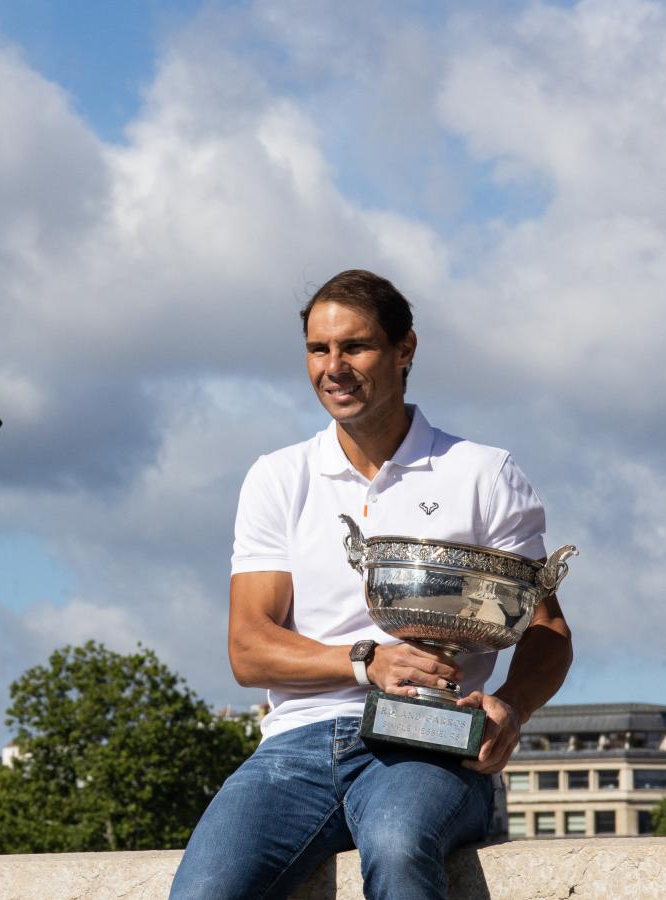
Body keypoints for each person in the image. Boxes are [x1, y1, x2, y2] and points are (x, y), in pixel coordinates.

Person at [169, 270, 573, 899]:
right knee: (202, 892)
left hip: (432, 741)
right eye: (317, 349)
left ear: (404, 350)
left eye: (354, 347)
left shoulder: (483, 473)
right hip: (295, 746)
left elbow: (546, 629)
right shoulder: (278, 476)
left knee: (396, 844)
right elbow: (249, 649)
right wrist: (367, 663)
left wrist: (510, 707)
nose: (333, 367)